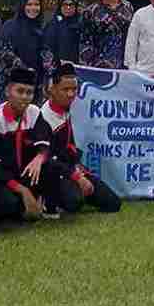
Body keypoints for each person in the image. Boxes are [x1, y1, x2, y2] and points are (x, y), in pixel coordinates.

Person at [32, 62, 122, 216]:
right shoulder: (43, 118)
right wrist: (76, 177)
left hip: (71, 169)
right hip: (54, 172)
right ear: (52, 89)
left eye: (74, 89)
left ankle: (74, 191)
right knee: (74, 201)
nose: (71, 94)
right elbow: (49, 160)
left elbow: (70, 149)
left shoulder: (66, 109)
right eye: (65, 89)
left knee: (112, 203)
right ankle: (49, 201)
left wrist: (79, 171)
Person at [0, 66, 49, 223]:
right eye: (20, 91)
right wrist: (23, 191)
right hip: (5, 179)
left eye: (29, 93)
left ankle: (45, 203)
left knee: (51, 166)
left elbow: (45, 139)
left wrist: (40, 156)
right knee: (9, 205)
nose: (25, 97)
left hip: (24, 173)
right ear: (8, 91)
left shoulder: (34, 112)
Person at [79, 0, 134, 69]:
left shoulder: (128, 7)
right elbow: (85, 42)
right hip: (100, 68)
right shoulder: (90, 11)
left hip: (125, 67)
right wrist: (88, 68)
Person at [0, 0, 47, 98]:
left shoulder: (40, 29)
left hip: (34, 84)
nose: (33, 8)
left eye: (37, 4)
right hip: (12, 83)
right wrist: (25, 69)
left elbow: (45, 54)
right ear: (22, 5)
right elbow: (4, 52)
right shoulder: (10, 26)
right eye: (29, 4)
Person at [41, 0, 82, 77]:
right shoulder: (52, 25)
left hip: (79, 71)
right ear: (60, 6)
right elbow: (46, 48)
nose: (68, 7)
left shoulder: (82, 24)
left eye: (71, 4)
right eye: (65, 4)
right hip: (57, 71)